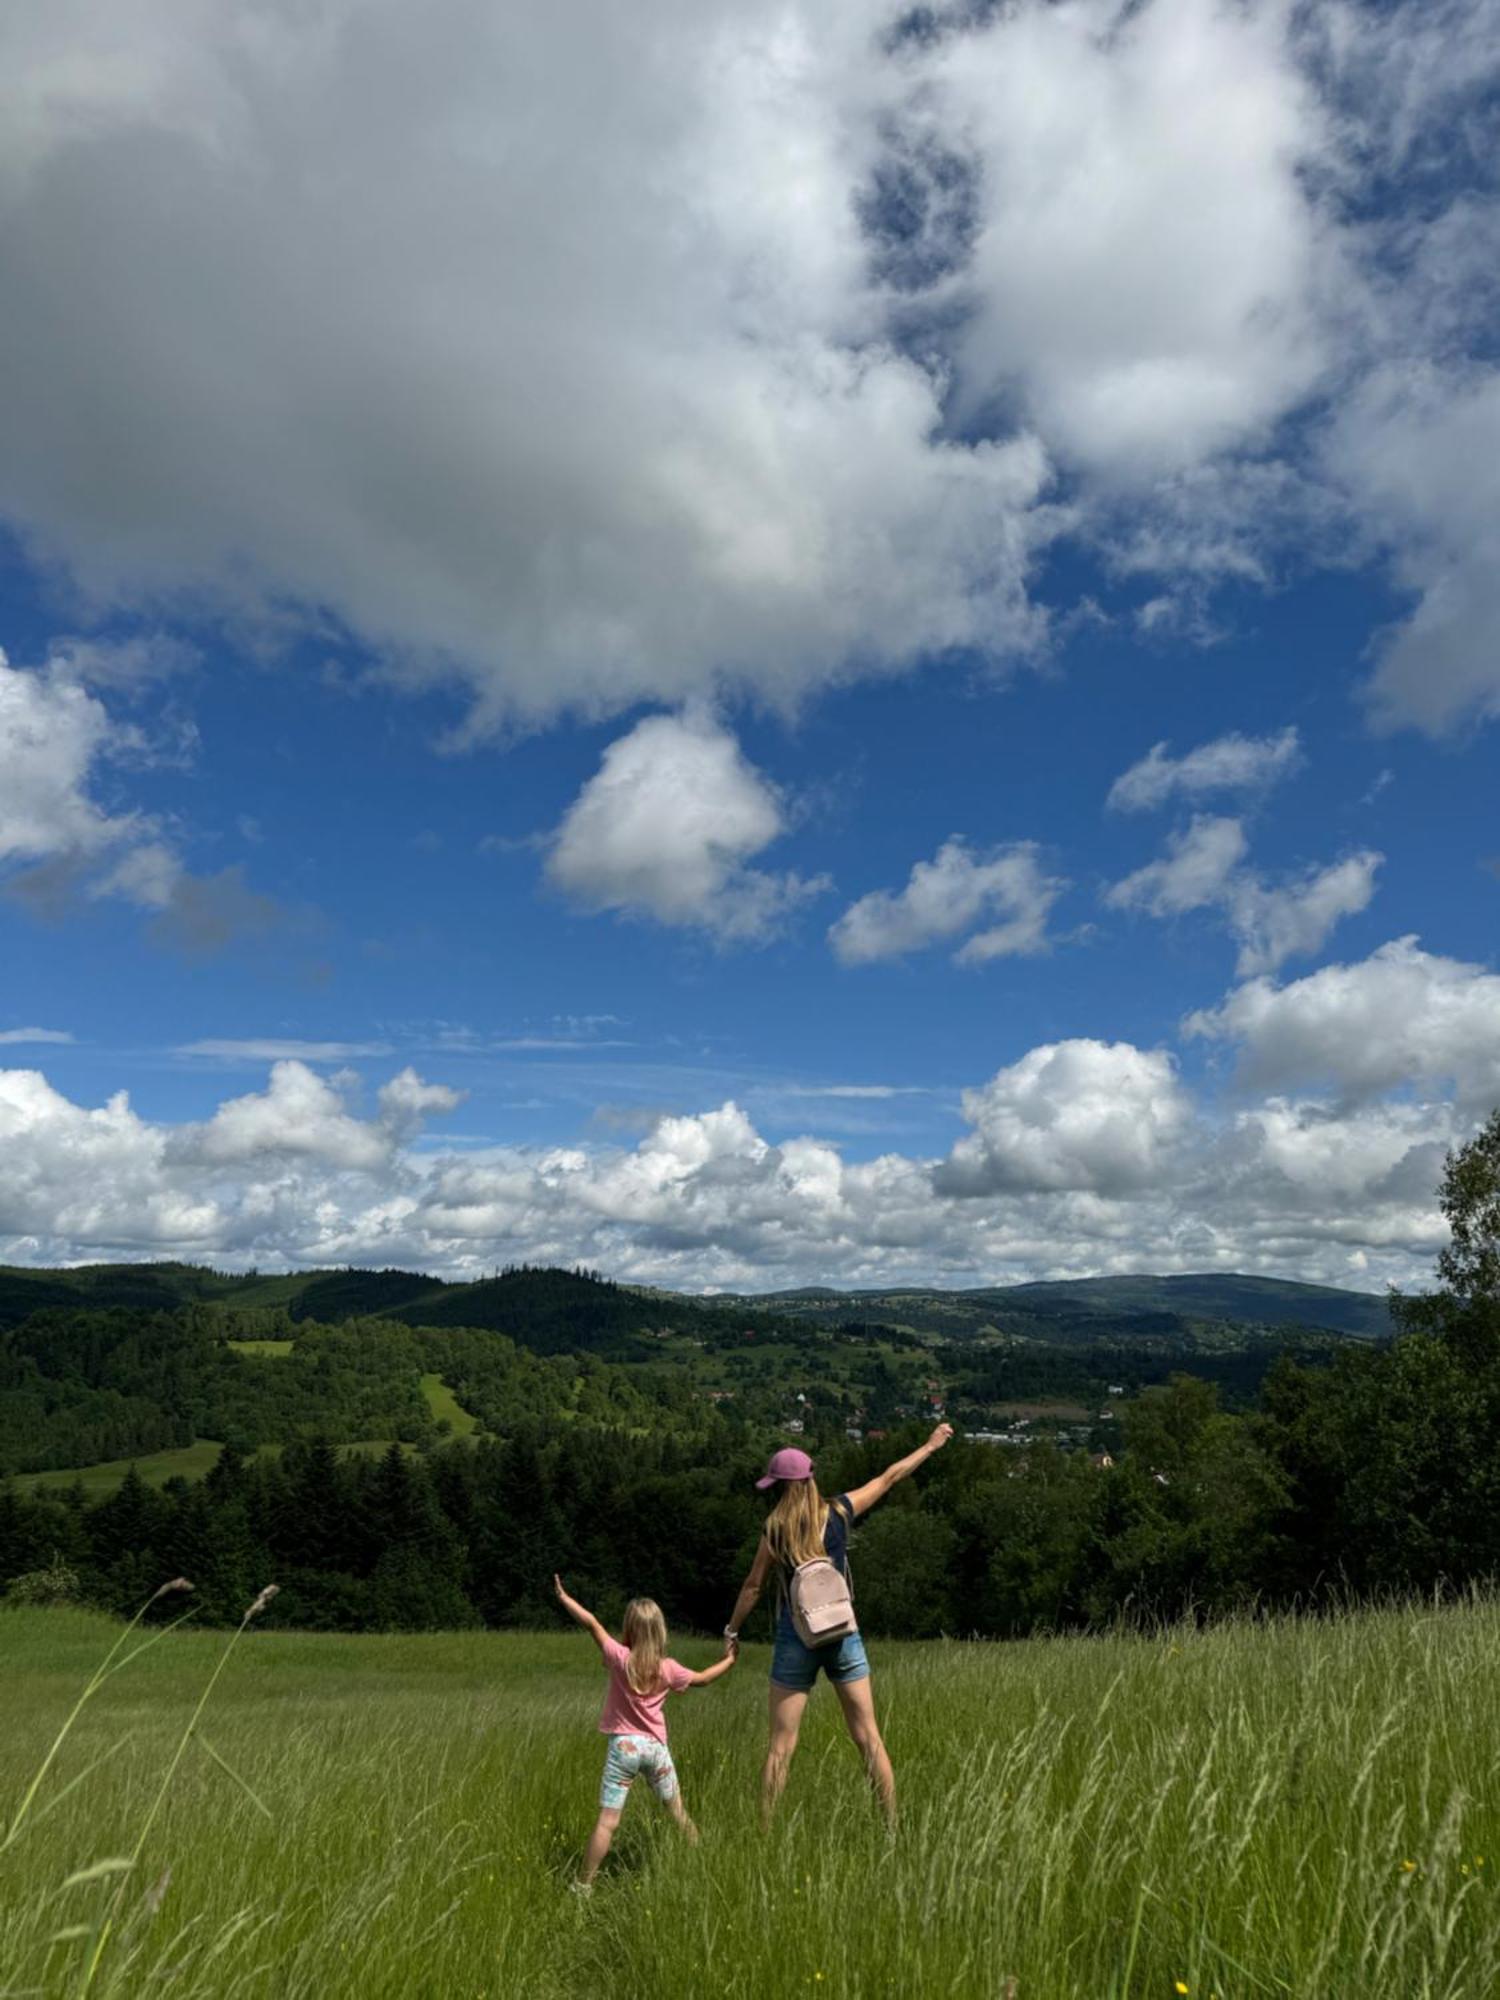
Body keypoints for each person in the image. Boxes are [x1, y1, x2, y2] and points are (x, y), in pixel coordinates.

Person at [723, 1425, 953, 1829]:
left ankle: (764, 1833)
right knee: (868, 1737)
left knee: (780, 1747)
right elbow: (889, 1477)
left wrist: (732, 1631)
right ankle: (892, 1828)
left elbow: (753, 1586)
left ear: (781, 1486)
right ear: (810, 1479)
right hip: (844, 1632)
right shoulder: (840, 1511)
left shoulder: (775, 1529)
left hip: (798, 1636)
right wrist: (930, 1447)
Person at [553, 1574, 737, 1890]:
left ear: (629, 1628)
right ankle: (706, 1865)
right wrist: (730, 1659)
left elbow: (592, 1624)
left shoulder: (619, 1658)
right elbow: (705, 1678)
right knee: (679, 1814)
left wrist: (564, 1598)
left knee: (607, 1823)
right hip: (655, 1750)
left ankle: (583, 1886)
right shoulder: (668, 1668)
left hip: (624, 1748)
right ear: (660, 1631)